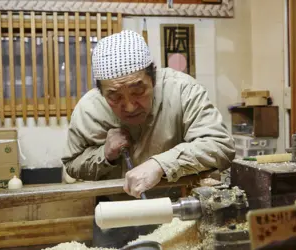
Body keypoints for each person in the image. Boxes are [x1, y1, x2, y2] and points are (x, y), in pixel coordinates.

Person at [61, 30, 235, 248]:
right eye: (114, 96)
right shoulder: (89, 109)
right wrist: (105, 155)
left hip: (176, 209)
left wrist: (161, 164)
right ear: (101, 91)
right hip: (114, 213)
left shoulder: (182, 91)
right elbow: (72, 165)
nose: (130, 106)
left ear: (153, 77)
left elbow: (220, 144)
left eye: (138, 90)